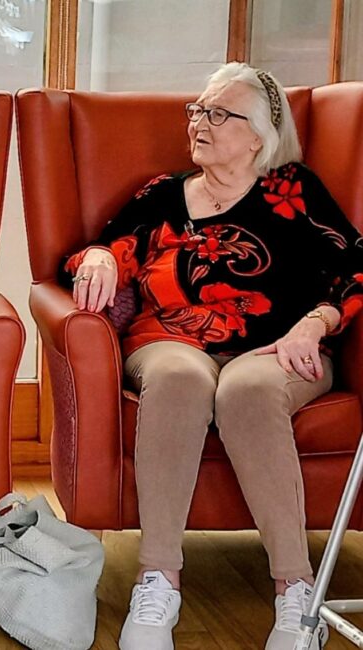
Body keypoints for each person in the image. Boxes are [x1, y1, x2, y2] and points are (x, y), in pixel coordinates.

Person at [65, 62, 363, 650]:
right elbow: (101, 251)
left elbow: (356, 264)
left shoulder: (293, 191)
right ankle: (159, 580)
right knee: (177, 378)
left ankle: (295, 591)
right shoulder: (160, 194)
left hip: (279, 345)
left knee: (248, 390)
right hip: (170, 342)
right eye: (198, 109)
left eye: (218, 113)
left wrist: (318, 320)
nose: (200, 122)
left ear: (259, 136)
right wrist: (98, 256)